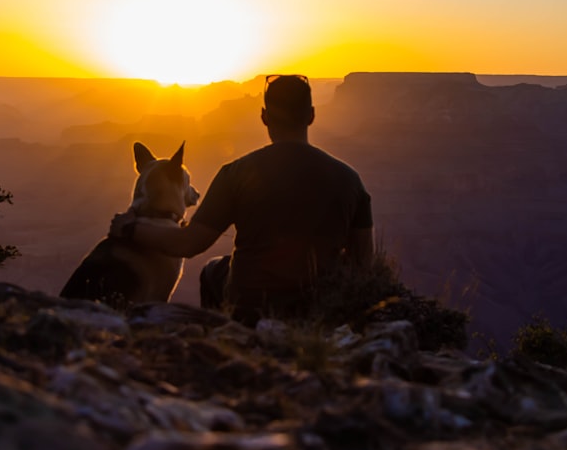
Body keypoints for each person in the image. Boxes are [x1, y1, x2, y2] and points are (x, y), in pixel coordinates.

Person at [110, 74, 373, 324]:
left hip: (249, 308)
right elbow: (364, 264)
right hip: (318, 308)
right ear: (312, 115)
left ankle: (224, 339)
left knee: (212, 271)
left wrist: (130, 228)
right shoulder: (350, 180)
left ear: (264, 117)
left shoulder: (237, 173)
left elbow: (188, 244)